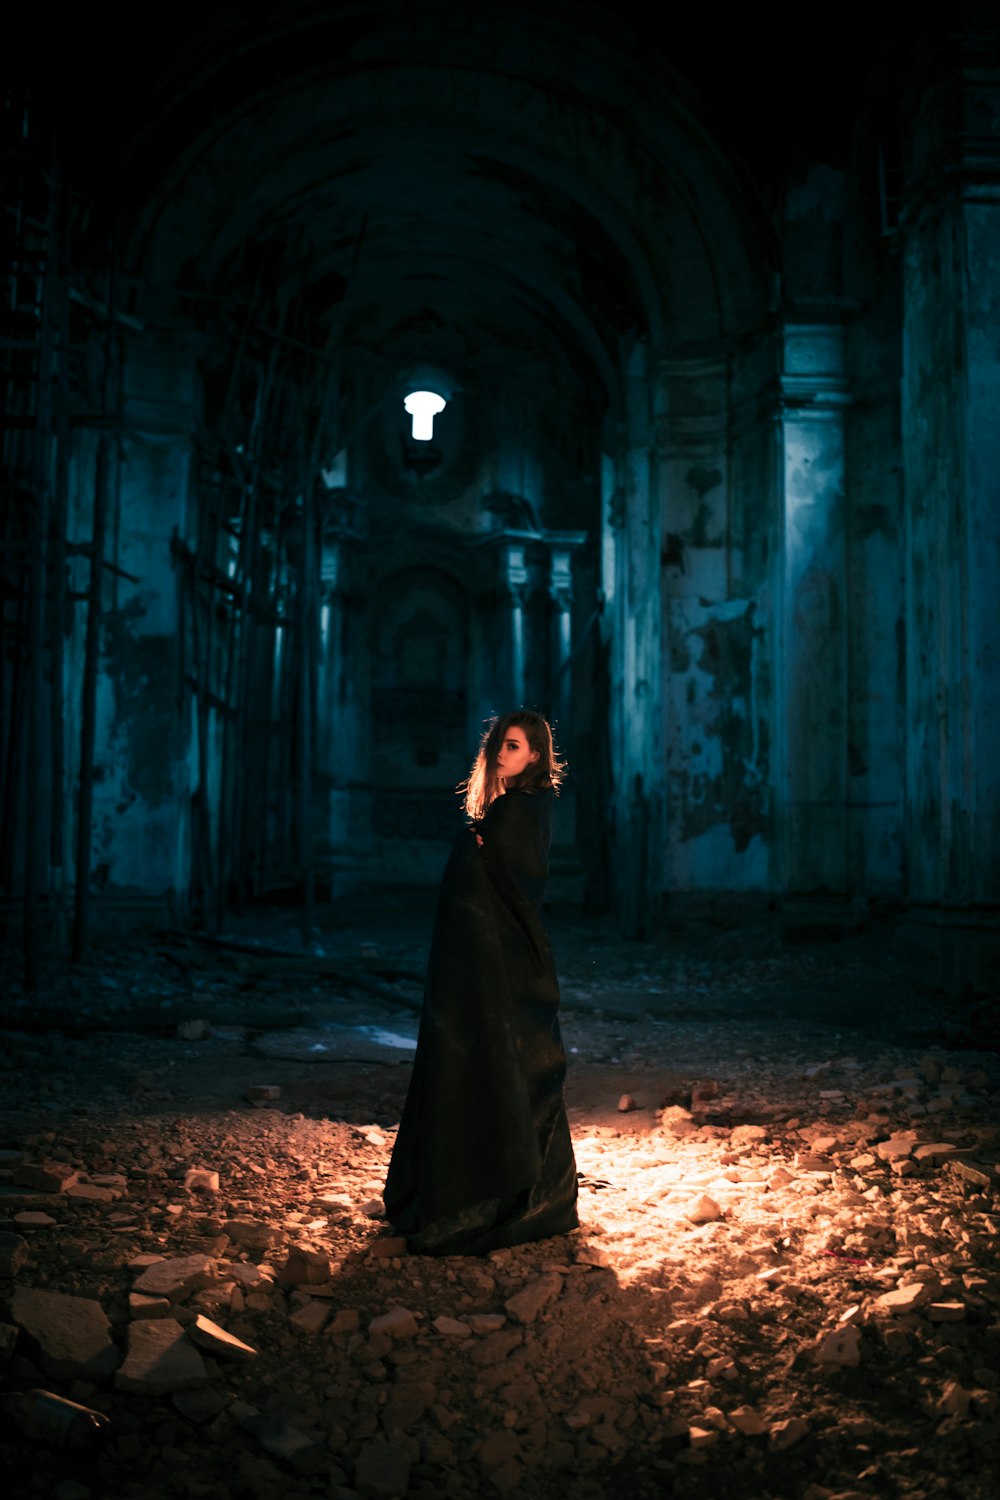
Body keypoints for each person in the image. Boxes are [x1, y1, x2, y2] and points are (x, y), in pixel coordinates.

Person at [383, 710, 579, 1255]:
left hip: (505, 964)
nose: (502, 753)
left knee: (508, 1065)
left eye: (514, 746)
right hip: (502, 962)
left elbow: (503, 887)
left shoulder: (519, 812)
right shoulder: (513, 808)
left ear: (536, 755)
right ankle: (511, 1189)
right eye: (498, 744)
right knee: (508, 1066)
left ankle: (497, 1195)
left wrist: (475, 850)